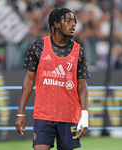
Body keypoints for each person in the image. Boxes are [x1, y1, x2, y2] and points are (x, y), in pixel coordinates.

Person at [15, 7, 90, 150]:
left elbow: (82, 86)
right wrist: (20, 112)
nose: (73, 24)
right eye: (67, 21)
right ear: (55, 24)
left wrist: (84, 114)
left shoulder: (79, 50)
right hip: (43, 115)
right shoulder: (38, 46)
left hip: (69, 116)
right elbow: (29, 81)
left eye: (74, 21)